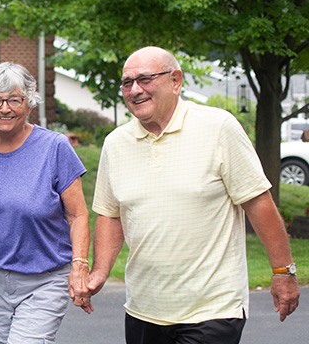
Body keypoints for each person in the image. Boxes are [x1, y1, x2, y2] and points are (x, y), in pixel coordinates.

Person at [87, 46, 300, 344]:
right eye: (127, 82)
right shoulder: (115, 144)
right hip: (143, 309)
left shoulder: (218, 127)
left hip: (211, 309)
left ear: (176, 81)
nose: (135, 89)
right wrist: (99, 272)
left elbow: (257, 202)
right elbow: (111, 214)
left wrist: (283, 271)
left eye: (145, 79)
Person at [0, 62, 92, 343]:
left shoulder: (54, 147)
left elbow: (77, 215)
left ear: (29, 104)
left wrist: (79, 265)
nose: (5, 108)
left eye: (15, 100)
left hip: (45, 279)